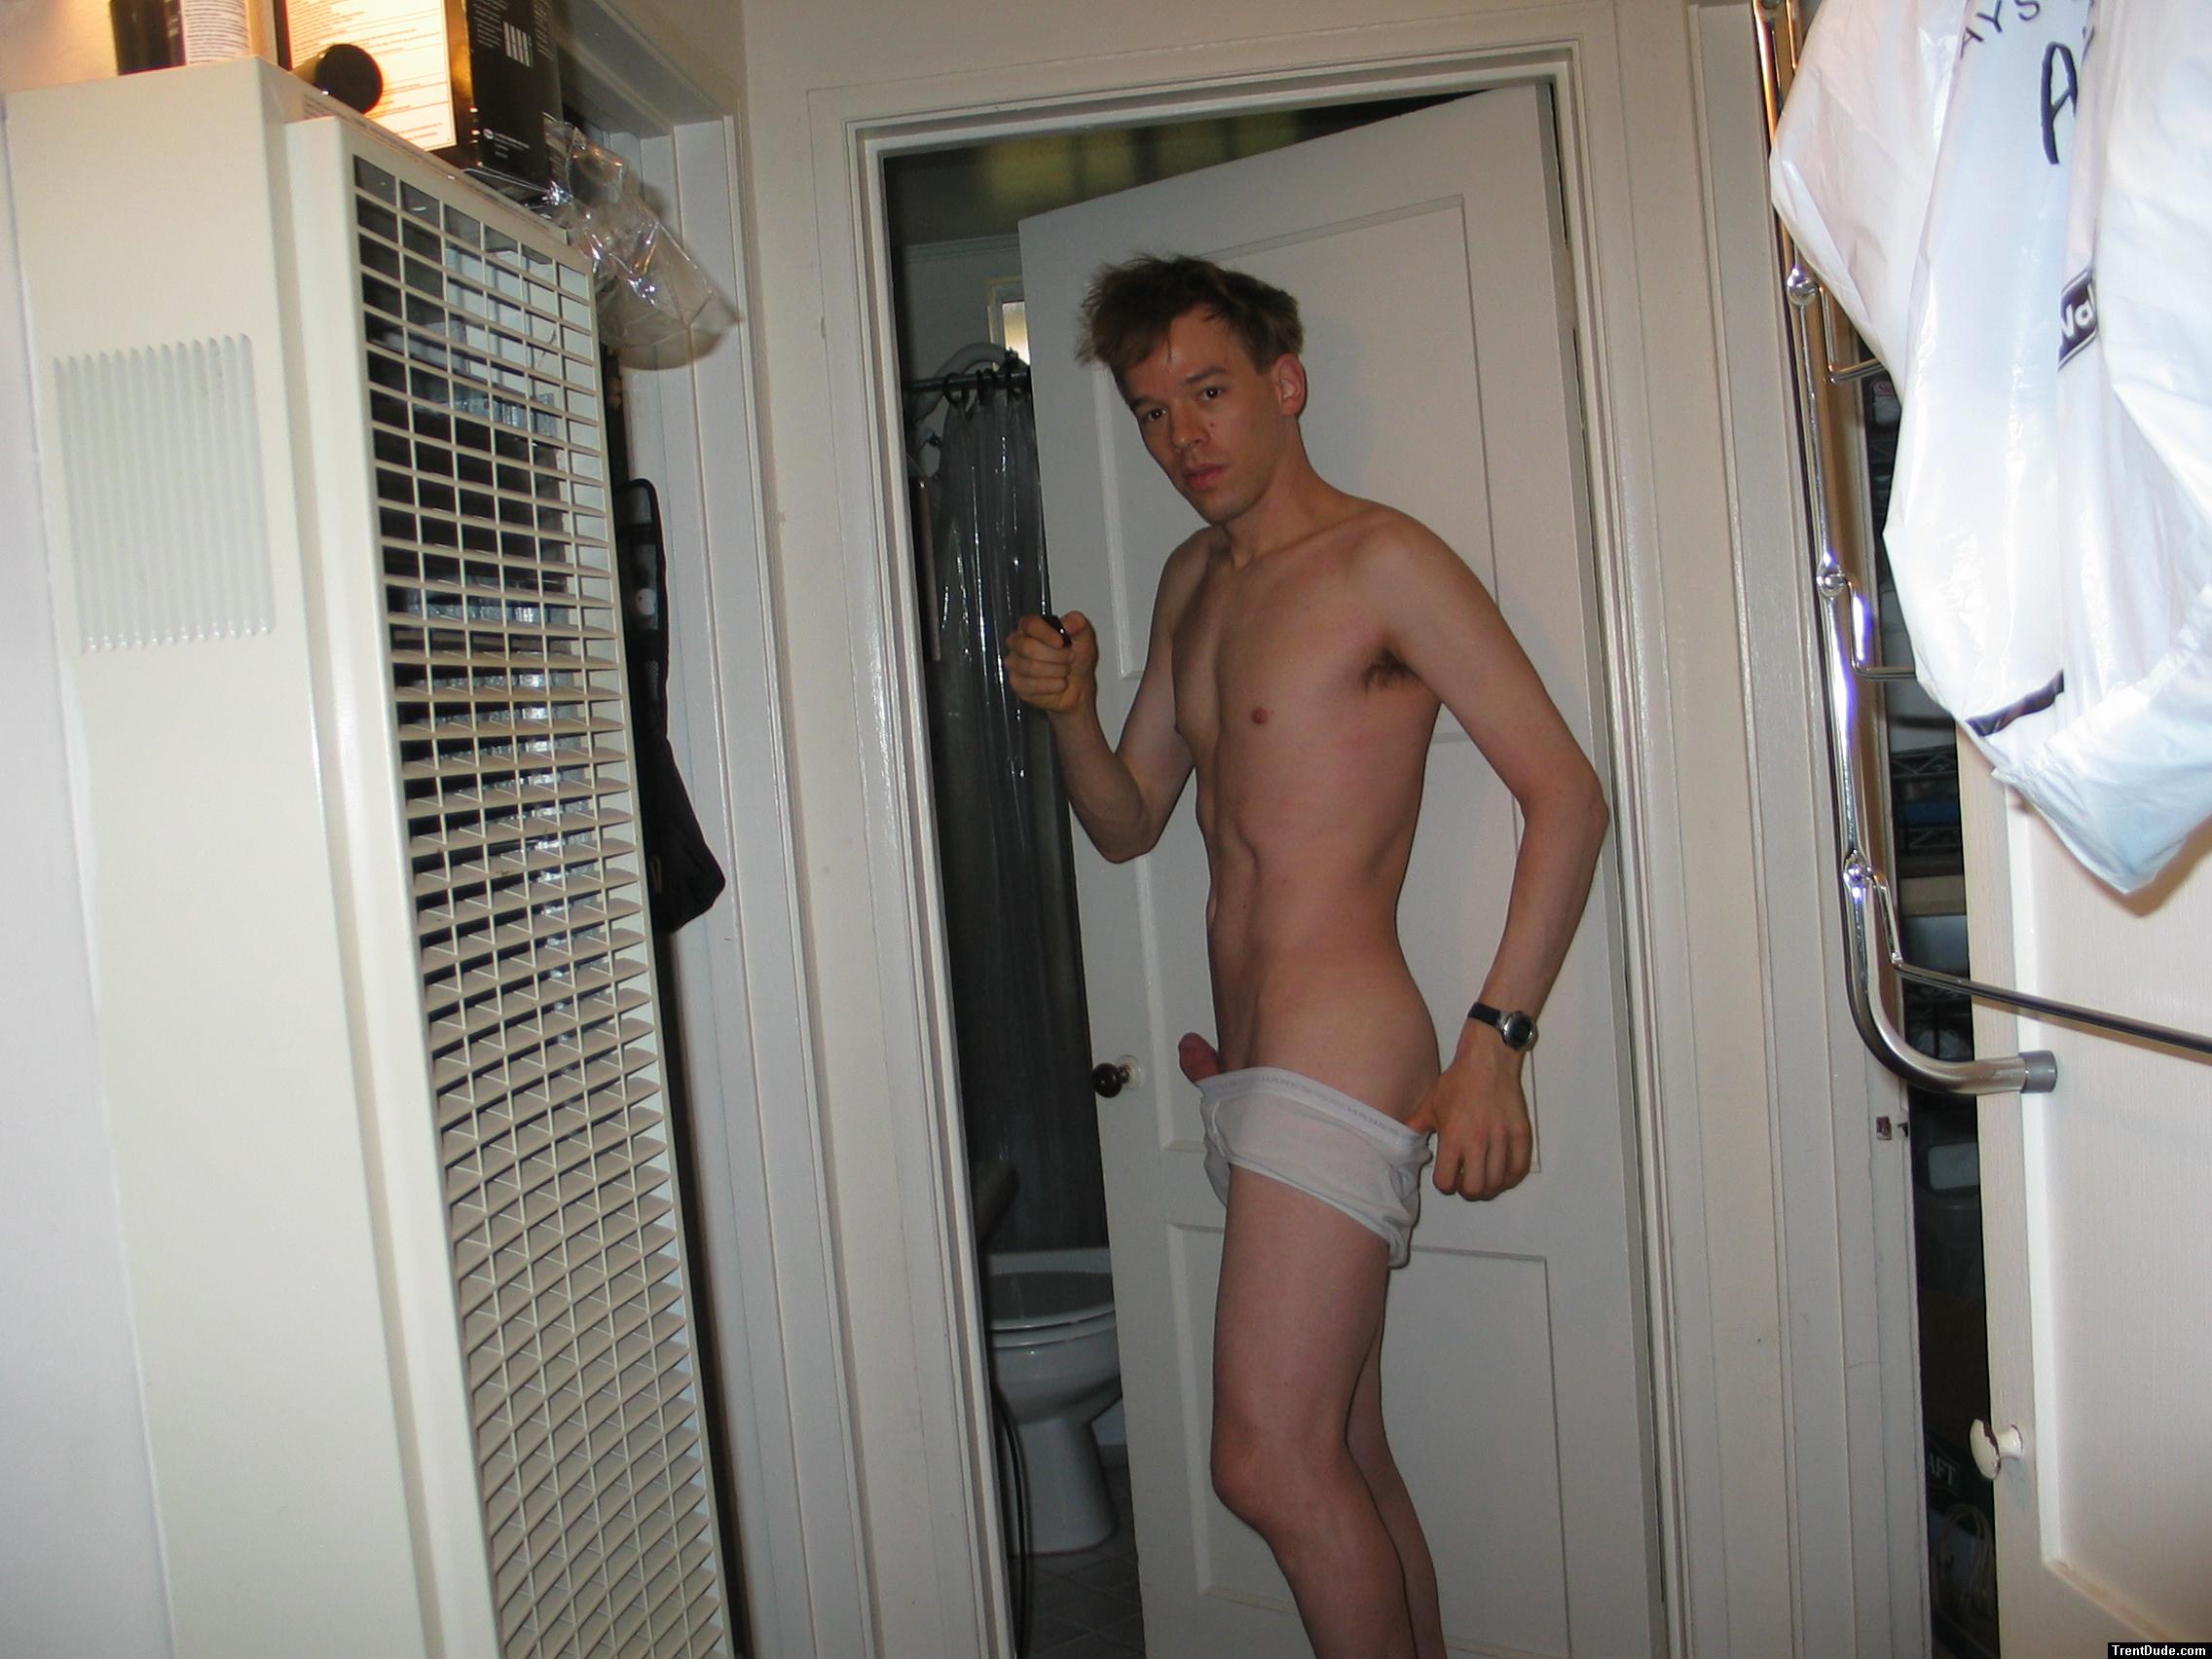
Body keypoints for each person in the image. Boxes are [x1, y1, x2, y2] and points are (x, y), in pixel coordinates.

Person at [1004, 255, 1609, 1659]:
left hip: (1342, 1044)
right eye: (1153, 412)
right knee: (1343, 1448)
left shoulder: (1384, 562)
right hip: (1249, 1066)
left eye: (1209, 393)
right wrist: (1072, 711)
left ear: (1285, 385)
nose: (1183, 437)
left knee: (1267, 1465)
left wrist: (1496, 1047)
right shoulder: (1190, 582)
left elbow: (1567, 795)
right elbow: (1128, 823)